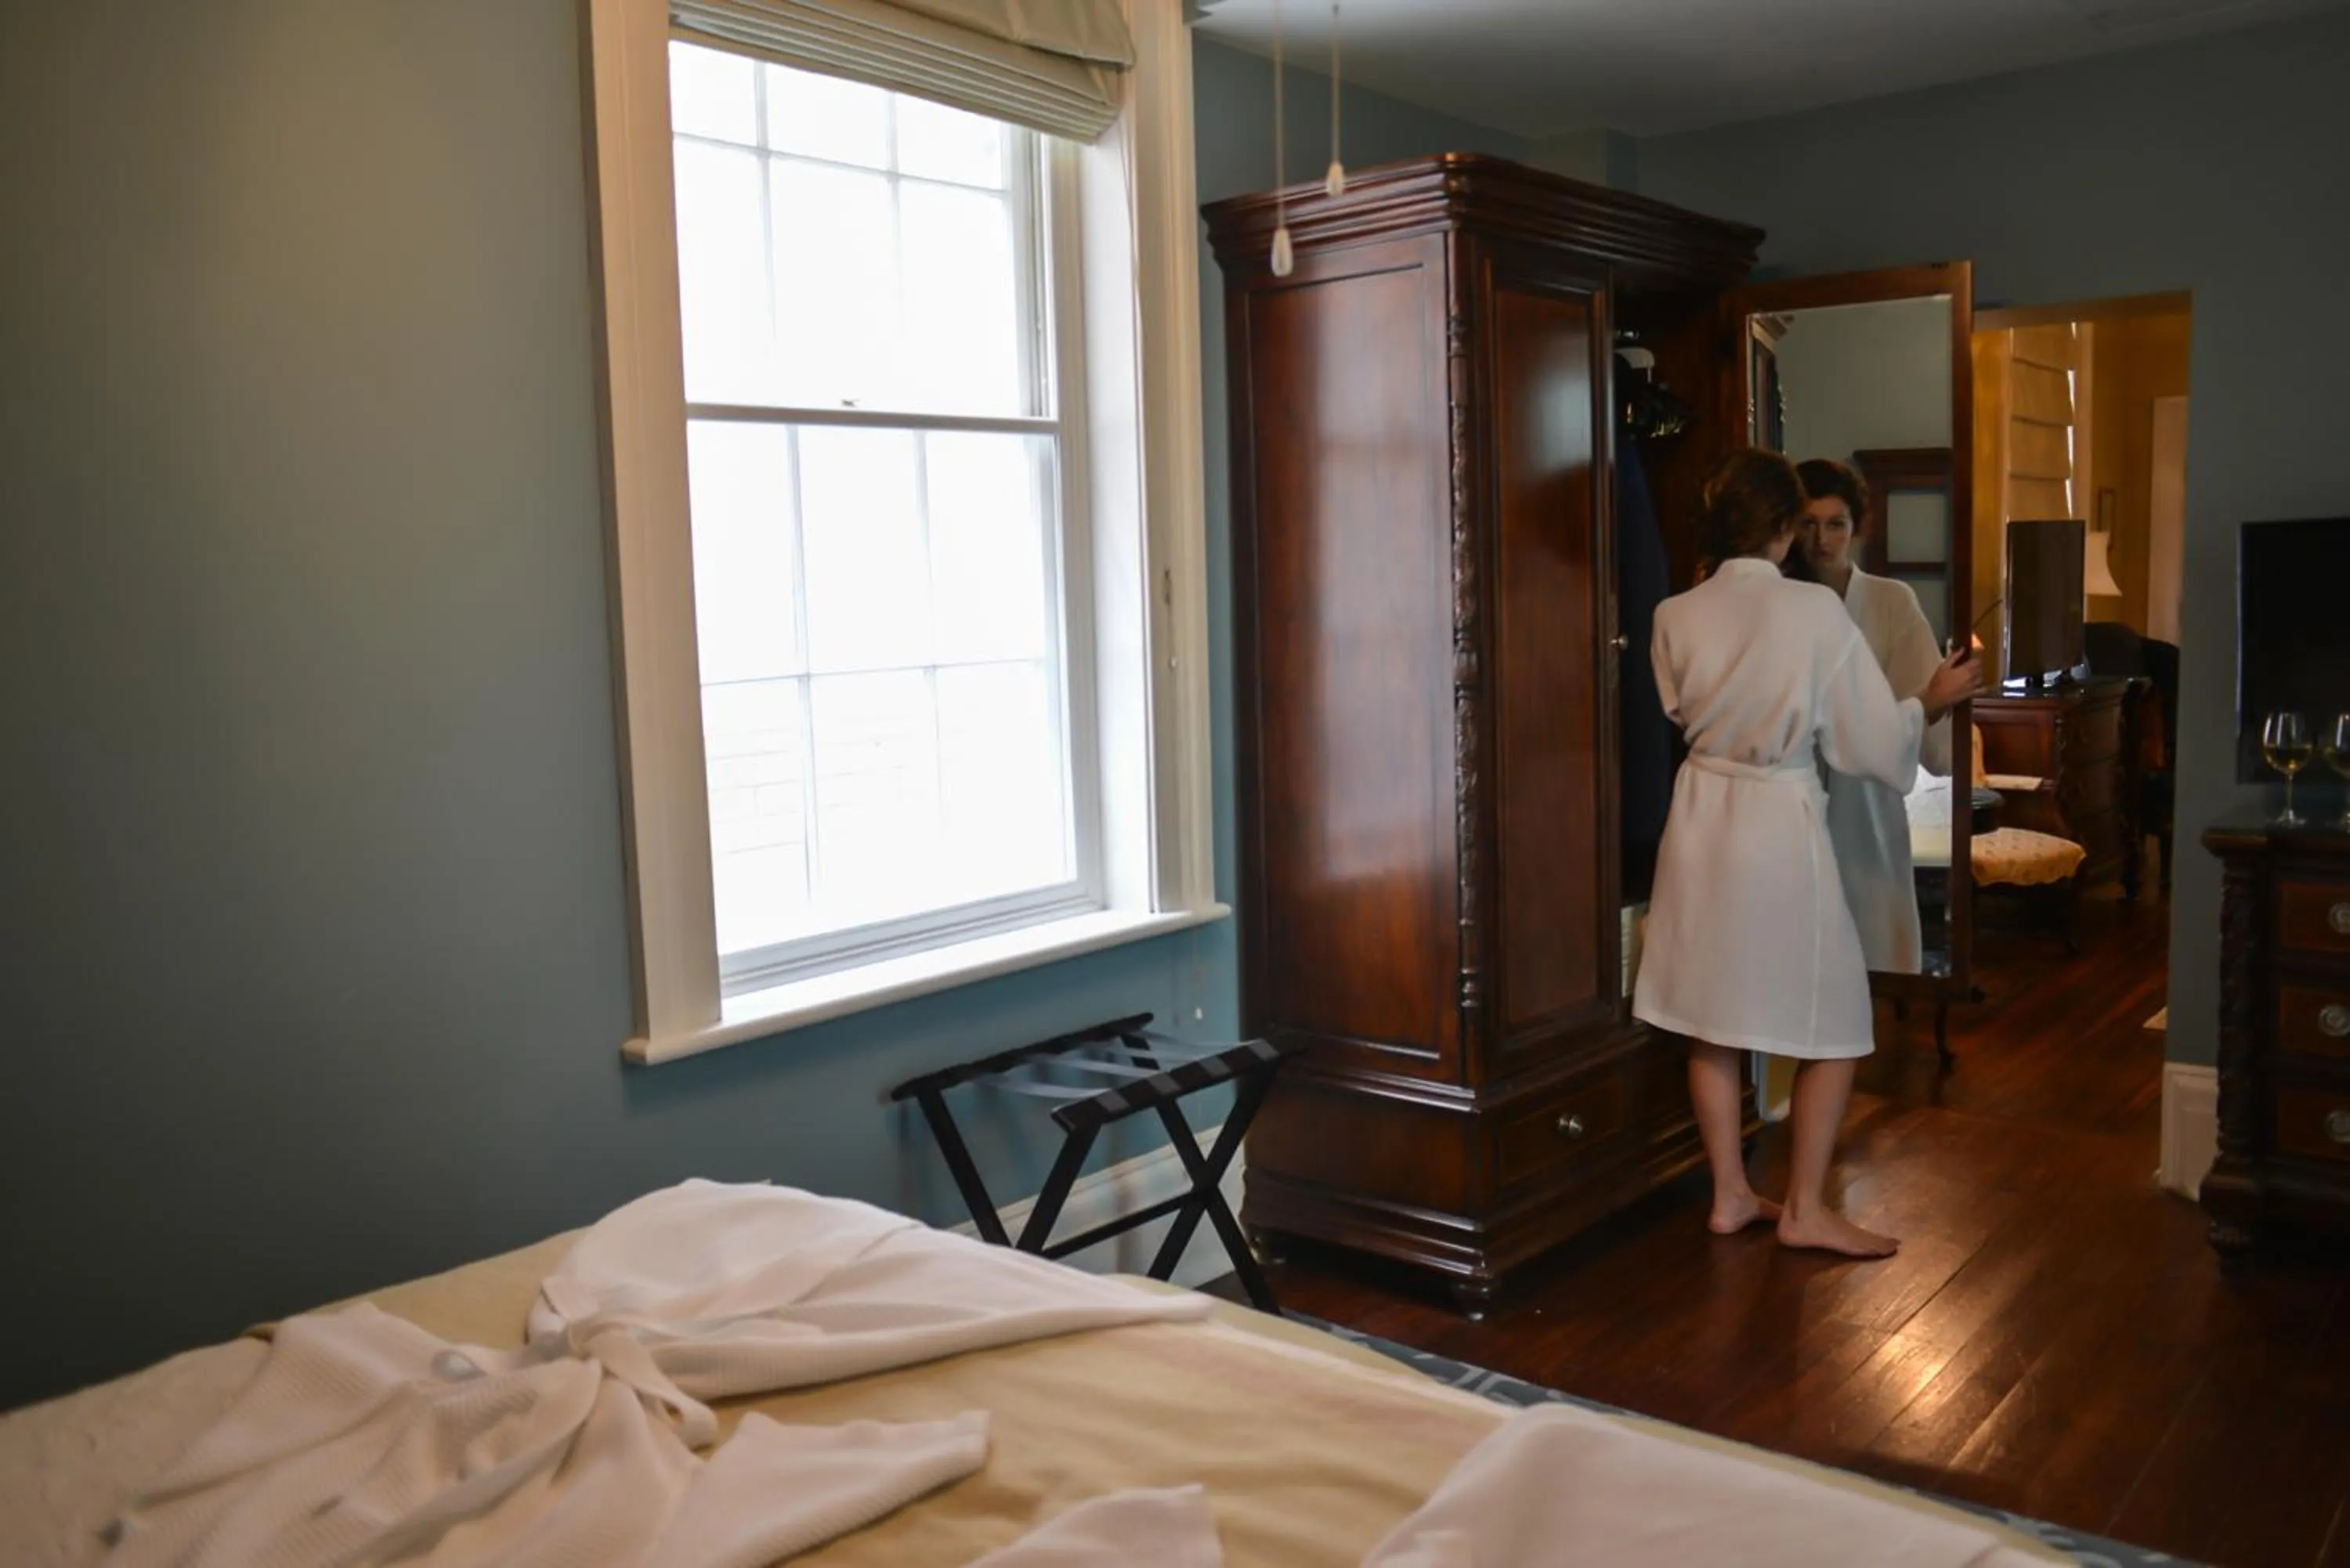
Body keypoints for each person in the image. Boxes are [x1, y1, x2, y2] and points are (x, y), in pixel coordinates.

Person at [1633, 450, 1981, 1259]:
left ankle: (1728, 1193)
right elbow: (1865, 741)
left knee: (1709, 1015)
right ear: (1787, 529)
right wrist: (1924, 702)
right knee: (1836, 1020)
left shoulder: (1671, 615)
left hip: (1699, 816)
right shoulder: (1815, 615)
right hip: (1777, 816)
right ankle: (1805, 1208)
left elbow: (1676, 704)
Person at [1792, 458, 1954, 974]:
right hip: (1792, 793)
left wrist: (1935, 723)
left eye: (1835, 524)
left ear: (1856, 528)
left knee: (1874, 937)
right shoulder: (1776, 601)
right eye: (1807, 523)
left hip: (1866, 794)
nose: (1821, 538)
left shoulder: (1890, 601)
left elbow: (1923, 698)